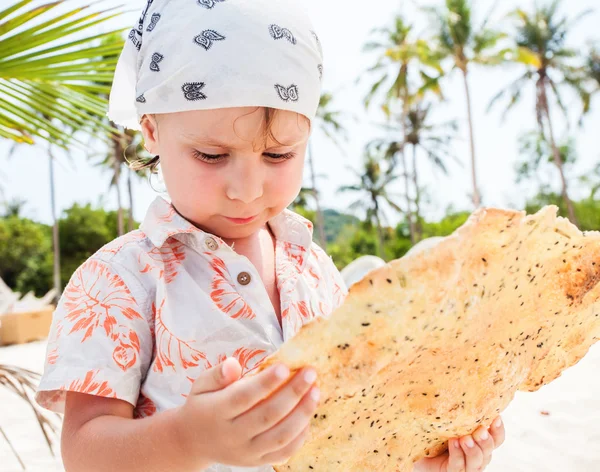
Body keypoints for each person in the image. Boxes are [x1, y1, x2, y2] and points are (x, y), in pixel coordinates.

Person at [35, 1, 505, 471]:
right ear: (152, 132)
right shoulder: (117, 281)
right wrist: (186, 438)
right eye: (211, 155)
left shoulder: (315, 270)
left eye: (278, 155)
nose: (247, 190)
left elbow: (349, 433)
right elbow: (83, 451)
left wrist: (423, 459)